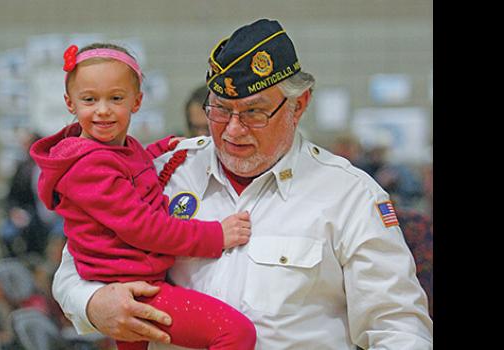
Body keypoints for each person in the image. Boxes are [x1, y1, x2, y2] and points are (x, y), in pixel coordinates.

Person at [50, 20, 433, 349]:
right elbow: (75, 266)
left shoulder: (347, 195)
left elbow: (395, 326)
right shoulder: (164, 171)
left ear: (299, 105)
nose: (233, 130)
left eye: (254, 112)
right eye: (219, 109)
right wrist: (93, 303)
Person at [30, 43, 256, 350]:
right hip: (135, 287)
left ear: (137, 101)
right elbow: (144, 227)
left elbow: (129, 171)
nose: (103, 109)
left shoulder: (115, 149)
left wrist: (161, 149)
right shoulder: (88, 166)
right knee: (235, 332)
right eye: (89, 99)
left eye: (116, 98)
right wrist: (216, 235)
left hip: (131, 279)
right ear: (70, 103)